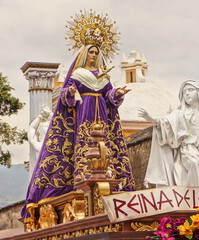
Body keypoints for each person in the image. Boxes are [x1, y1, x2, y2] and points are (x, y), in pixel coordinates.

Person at [22, 45, 135, 220]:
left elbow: (108, 96)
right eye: (91, 52)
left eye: (96, 52)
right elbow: (66, 97)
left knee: (104, 147)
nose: (94, 55)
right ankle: (81, 180)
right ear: (84, 54)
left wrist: (117, 93)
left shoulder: (103, 75)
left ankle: (109, 177)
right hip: (84, 113)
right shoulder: (78, 74)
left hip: (102, 114)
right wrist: (71, 92)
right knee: (85, 146)